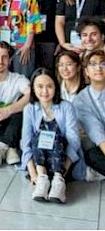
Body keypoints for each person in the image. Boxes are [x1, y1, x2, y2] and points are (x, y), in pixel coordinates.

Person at [20, 68, 85, 204]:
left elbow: (74, 140)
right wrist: (33, 175)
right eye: (40, 86)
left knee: (53, 136)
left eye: (49, 86)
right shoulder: (29, 109)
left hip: (63, 160)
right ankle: (42, 179)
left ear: (56, 86)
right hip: (39, 163)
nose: (44, 91)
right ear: (33, 88)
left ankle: (57, 182)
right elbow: (26, 142)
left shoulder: (67, 107)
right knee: (38, 136)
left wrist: (62, 173)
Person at [74, 50, 105, 179]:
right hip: (99, 144)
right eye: (92, 64)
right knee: (91, 154)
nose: (98, 68)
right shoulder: (81, 100)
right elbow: (96, 132)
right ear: (86, 71)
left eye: (103, 64)